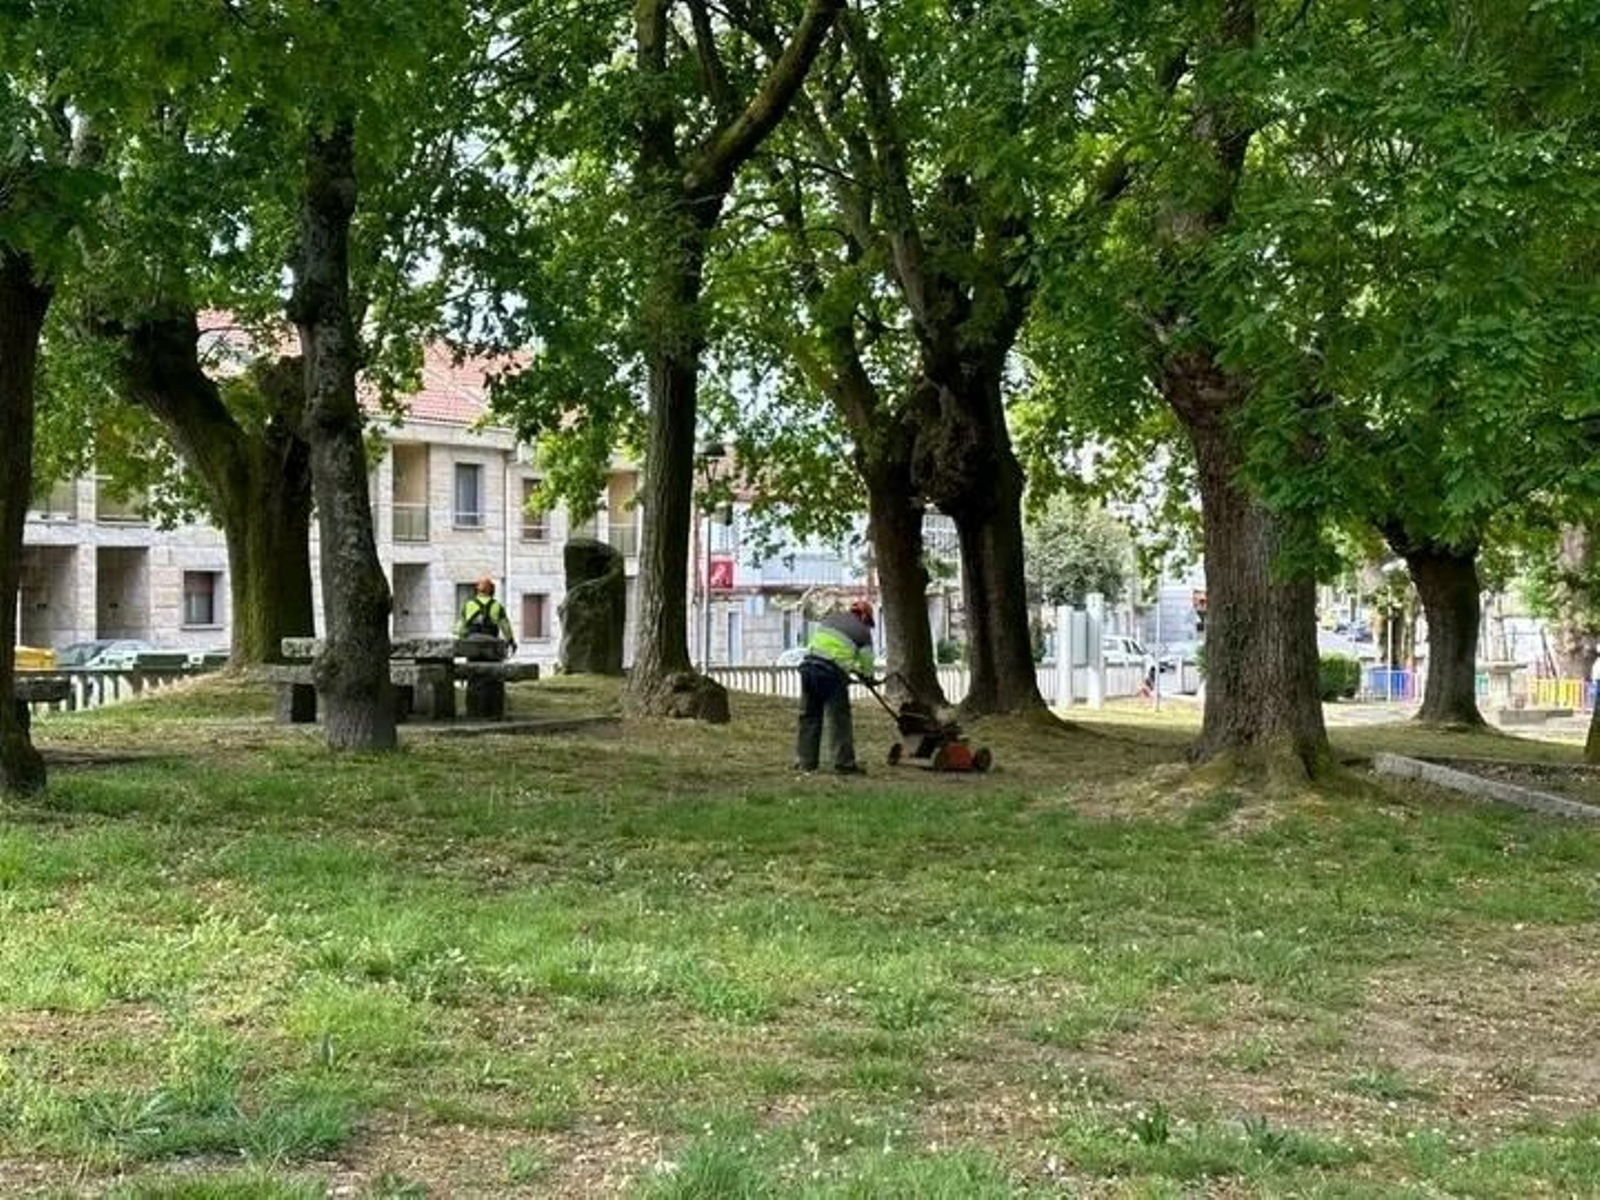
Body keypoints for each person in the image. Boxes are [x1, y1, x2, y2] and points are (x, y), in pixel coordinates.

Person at [796, 599, 877, 775]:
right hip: (831, 673)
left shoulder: (832, 618)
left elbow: (834, 649)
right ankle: (844, 764)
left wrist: (852, 668)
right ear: (866, 618)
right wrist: (869, 678)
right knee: (839, 719)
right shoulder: (863, 632)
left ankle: (806, 763)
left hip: (809, 666)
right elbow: (867, 664)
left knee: (809, 716)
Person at [455, 576, 517, 653]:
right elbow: (505, 627)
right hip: (491, 643)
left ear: (477, 590)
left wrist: (461, 638)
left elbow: (459, 628)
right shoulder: (497, 606)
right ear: (491, 590)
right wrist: (511, 641)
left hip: (472, 643)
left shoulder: (469, 605)